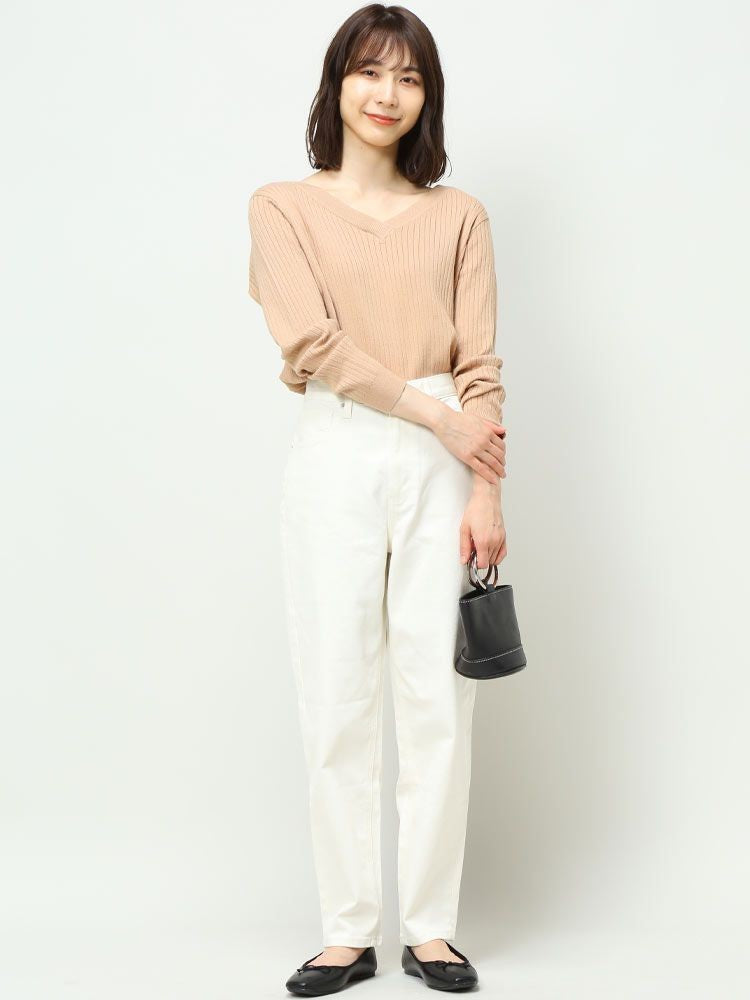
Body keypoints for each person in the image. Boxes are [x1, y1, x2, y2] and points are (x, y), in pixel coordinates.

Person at [247, 5, 508, 994]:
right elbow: (309, 343)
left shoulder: (460, 215)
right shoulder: (282, 207)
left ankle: (431, 929)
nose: (387, 94)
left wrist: (485, 488)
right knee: (337, 693)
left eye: (409, 77)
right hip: (340, 445)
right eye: (369, 71)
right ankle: (348, 931)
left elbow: (479, 364)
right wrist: (436, 418)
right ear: (338, 83)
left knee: (438, 698)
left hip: (448, 456)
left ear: (427, 97)